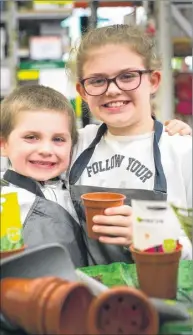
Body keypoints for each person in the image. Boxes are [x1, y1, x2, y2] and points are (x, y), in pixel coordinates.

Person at [66, 24, 192, 265]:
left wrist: (150, 236)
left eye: (127, 76)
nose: (113, 90)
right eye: (97, 80)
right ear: (82, 90)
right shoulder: (73, 145)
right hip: (91, 294)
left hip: (165, 297)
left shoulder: (182, 151)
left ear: (153, 81)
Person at [0, 85, 86, 267]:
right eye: (31, 137)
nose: (46, 150)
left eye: (58, 139)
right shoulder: (6, 203)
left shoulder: (77, 187)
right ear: (3, 145)